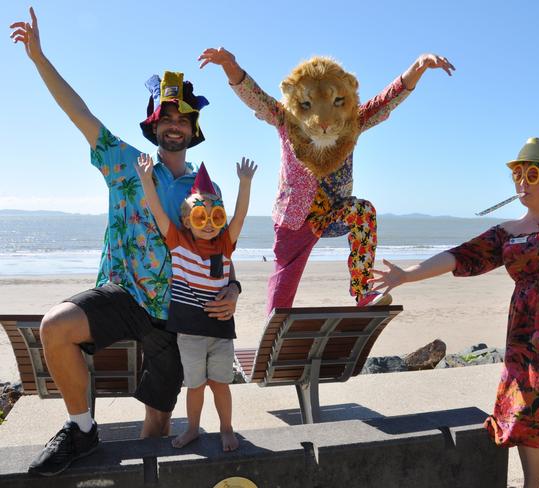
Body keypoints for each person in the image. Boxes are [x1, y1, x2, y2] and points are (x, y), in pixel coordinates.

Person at [10, 9, 241, 476]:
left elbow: (219, 252)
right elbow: (80, 113)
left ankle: (142, 475)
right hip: (125, 294)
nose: (174, 125)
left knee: (157, 417)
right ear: (154, 127)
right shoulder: (126, 164)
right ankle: (81, 430)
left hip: (179, 312)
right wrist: (38, 57)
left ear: (193, 130)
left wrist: (234, 290)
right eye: (166, 118)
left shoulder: (206, 188)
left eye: (182, 119)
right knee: (55, 326)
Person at [370, 138, 539, 488]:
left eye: (531, 174)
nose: (522, 182)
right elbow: (460, 255)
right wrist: (408, 275)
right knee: (526, 411)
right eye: (517, 175)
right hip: (530, 335)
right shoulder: (508, 232)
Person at [197, 47, 454, 314]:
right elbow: (254, 96)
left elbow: (386, 100)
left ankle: (363, 290)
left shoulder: (352, 122)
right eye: (308, 104)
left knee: (362, 212)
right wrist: (230, 65)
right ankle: (272, 332)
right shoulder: (286, 119)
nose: (322, 122)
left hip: (332, 213)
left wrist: (419, 66)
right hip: (293, 217)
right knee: (284, 279)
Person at [135, 156, 256, 451]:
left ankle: (227, 428)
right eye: (200, 218)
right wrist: (145, 180)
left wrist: (245, 183)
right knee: (195, 386)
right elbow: (158, 213)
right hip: (188, 335)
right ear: (188, 220)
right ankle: (192, 428)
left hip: (220, 333)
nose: (208, 225)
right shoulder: (179, 243)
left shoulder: (225, 245)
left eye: (216, 218)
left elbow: (239, 218)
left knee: (221, 385)